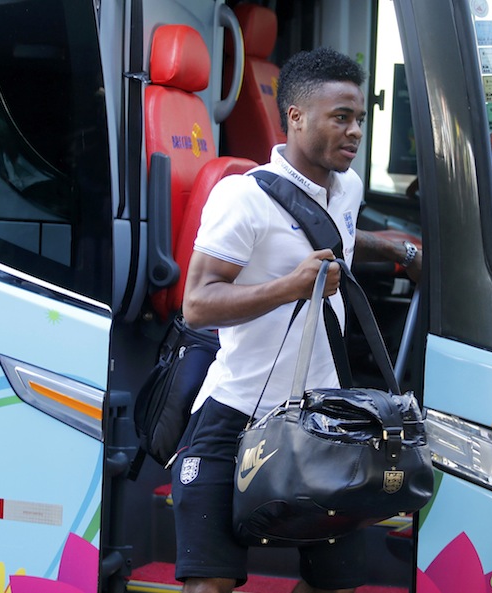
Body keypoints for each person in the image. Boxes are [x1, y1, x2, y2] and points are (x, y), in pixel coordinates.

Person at [171, 47, 421, 593]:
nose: (355, 132)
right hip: (236, 417)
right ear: (296, 117)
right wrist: (291, 287)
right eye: (340, 118)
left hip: (322, 421)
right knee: (207, 584)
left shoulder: (348, 188)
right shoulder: (243, 199)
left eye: (360, 119)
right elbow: (198, 303)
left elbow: (343, 242)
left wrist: (401, 253)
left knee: (336, 583)